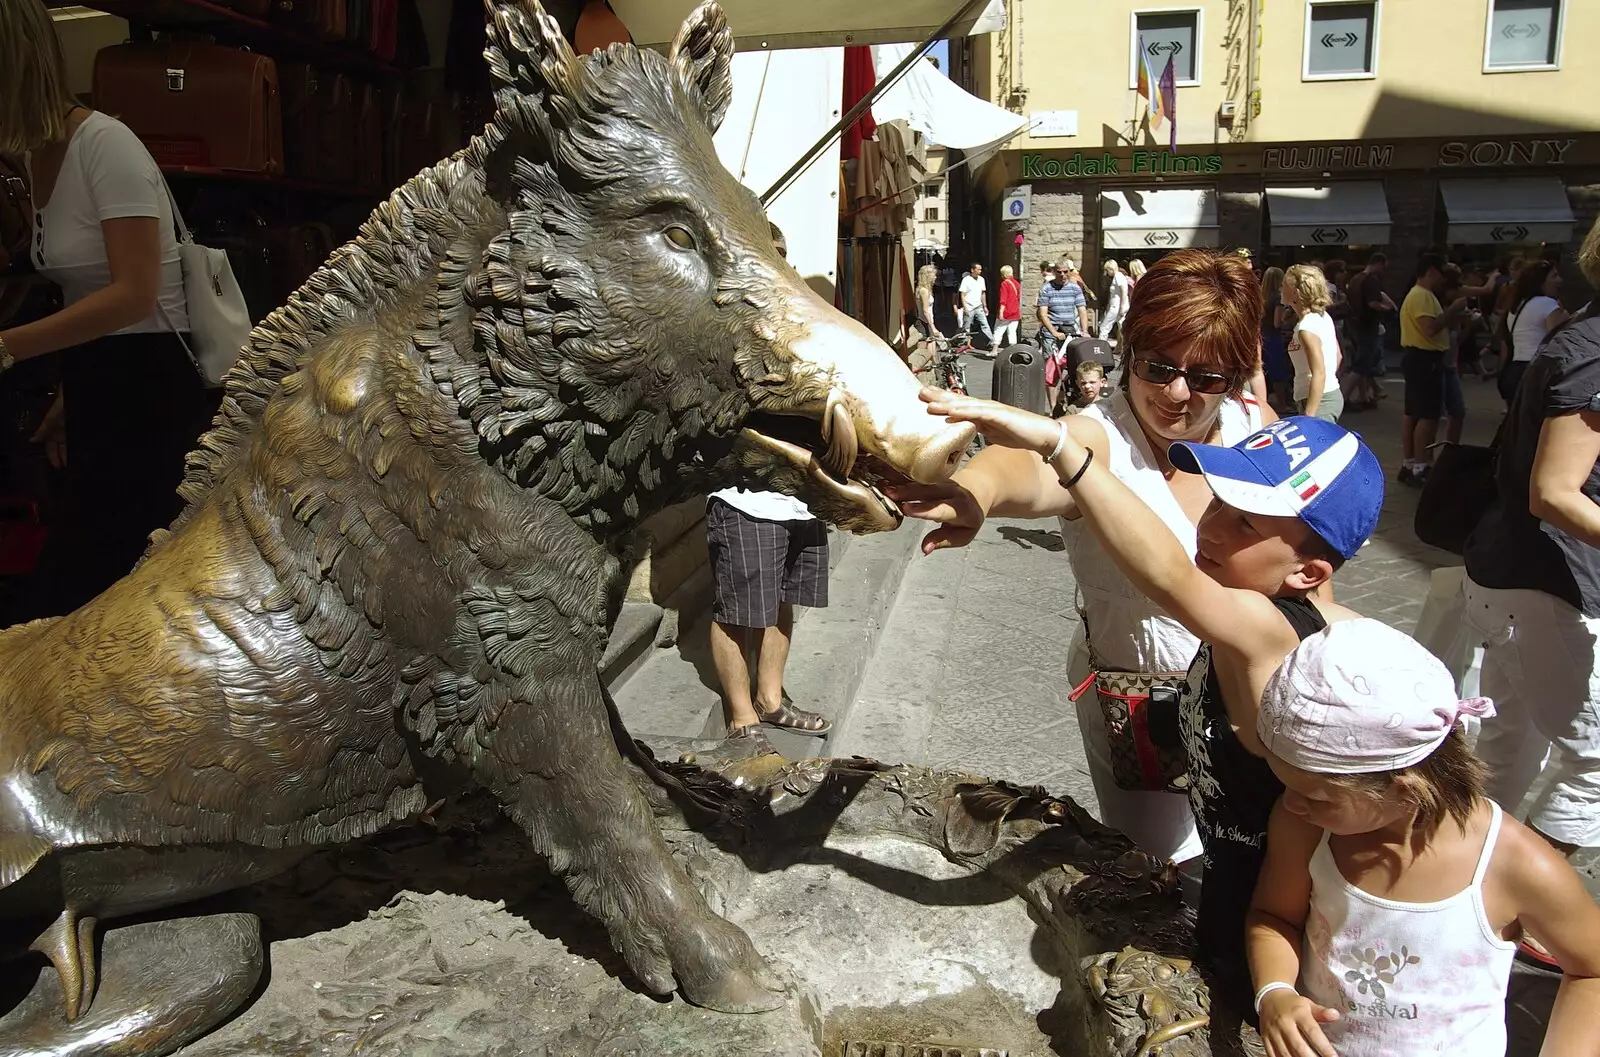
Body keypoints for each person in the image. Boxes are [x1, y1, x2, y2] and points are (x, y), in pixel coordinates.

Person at [897, 407, 1383, 1006]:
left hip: (1296, 942)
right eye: (1219, 503)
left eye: (1246, 526)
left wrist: (1060, 447)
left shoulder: (1270, 630)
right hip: (1243, 901)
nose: (1213, 526)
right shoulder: (1268, 611)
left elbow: (1169, 574)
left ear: (1307, 573)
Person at [898, 250, 1269, 868]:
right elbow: (1033, 465)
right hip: (1144, 701)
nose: (1178, 394)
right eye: (1158, 366)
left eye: (1206, 377)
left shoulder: (1249, 425)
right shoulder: (1100, 434)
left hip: (1243, 697)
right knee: (1166, 865)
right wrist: (976, 492)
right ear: (1130, 349)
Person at [1247, 620, 1600, 1057]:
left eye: (1315, 795)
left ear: (1404, 789)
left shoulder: (1514, 865)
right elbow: (1274, 916)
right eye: (1288, 786)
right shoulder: (1306, 826)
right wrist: (1276, 991)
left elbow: (1592, 970)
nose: (1292, 804)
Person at [0, 0, 215, 615]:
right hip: (100, 382)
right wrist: (72, 395)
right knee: (95, 585)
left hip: (150, 392)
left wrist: (8, 345)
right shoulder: (37, 155)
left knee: (105, 585)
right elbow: (91, 294)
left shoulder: (105, 145)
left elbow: (135, 293)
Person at [1462, 215, 1600, 971]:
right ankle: (1528, 910)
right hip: (1549, 585)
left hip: (1516, 577)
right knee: (1594, 760)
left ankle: (1469, 895)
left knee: (1509, 748)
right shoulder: (1595, 348)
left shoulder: (1579, 336)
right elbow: (1556, 490)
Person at [1397, 253, 1473, 487]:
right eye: (1440, 274)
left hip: (1419, 358)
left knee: (1414, 413)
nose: (1442, 280)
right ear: (1431, 271)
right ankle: (1420, 466)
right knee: (1427, 416)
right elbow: (1429, 328)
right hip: (1425, 359)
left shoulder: (1418, 294)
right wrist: (1454, 311)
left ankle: (1411, 463)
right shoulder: (1423, 296)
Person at [1498, 259, 1570, 407]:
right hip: (1537, 372)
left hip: (1515, 371)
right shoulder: (1546, 303)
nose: (1560, 280)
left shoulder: (1517, 306)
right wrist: (1567, 321)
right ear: (1541, 281)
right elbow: (1558, 340)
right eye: (1554, 276)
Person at [1282, 265, 1343, 423]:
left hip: (1319, 402)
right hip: (1323, 396)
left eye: (1284, 286)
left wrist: (1309, 416)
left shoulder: (1306, 328)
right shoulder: (1322, 316)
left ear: (1295, 293)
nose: (1280, 289)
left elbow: (1319, 372)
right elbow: (1338, 356)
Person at [1342, 253, 1395, 412]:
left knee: (1362, 362)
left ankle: (1364, 396)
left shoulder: (1356, 279)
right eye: (1384, 266)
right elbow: (1373, 303)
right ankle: (1345, 397)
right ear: (1379, 263)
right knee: (1362, 363)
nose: (1384, 270)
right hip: (1367, 325)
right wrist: (1388, 308)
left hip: (1354, 323)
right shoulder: (1372, 280)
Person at [1035, 259, 1090, 376]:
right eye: (1059, 272)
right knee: (1051, 370)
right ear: (1054, 272)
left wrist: (1084, 331)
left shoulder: (1075, 288)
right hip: (1052, 332)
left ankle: (1065, 392)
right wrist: (1054, 332)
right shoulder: (1046, 288)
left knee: (1072, 368)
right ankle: (1051, 393)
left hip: (1070, 331)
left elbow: (1082, 310)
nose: (1063, 275)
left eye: (1065, 272)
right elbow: (1043, 314)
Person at [1260, 267, 1295, 414]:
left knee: (1264, 371)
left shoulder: (1261, 296)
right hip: (1274, 338)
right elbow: (1277, 323)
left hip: (1262, 336)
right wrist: (1289, 317)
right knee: (1278, 372)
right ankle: (1282, 404)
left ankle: (1264, 402)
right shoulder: (1278, 298)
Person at [957, 261, 994, 351]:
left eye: (980, 269)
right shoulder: (966, 280)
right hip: (969, 306)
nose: (980, 271)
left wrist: (985, 306)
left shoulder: (981, 279)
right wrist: (965, 307)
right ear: (972, 270)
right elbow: (962, 294)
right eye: (978, 269)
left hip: (979, 306)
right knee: (967, 326)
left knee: (985, 324)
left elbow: (983, 293)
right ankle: (965, 343)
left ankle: (991, 341)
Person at [1098, 259, 1131, 344]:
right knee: (1121, 327)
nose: (1107, 273)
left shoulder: (1118, 276)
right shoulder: (1118, 276)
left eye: (1107, 270)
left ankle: (1101, 345)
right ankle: (1121, 347)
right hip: (1117, 305)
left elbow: (1124, 291)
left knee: (1104, 326)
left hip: (1117, 306)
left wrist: (1122, 306)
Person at [995, 263, 1022, 348]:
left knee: (999, 330)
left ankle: (994, 349)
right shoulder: (1017, 283)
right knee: (1012, 332)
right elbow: (1018, 298)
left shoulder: (1004, 283)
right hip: (1015, 311)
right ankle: (1013, 350)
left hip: (1006, 311)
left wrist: (1001, 312)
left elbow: (1003, 299)